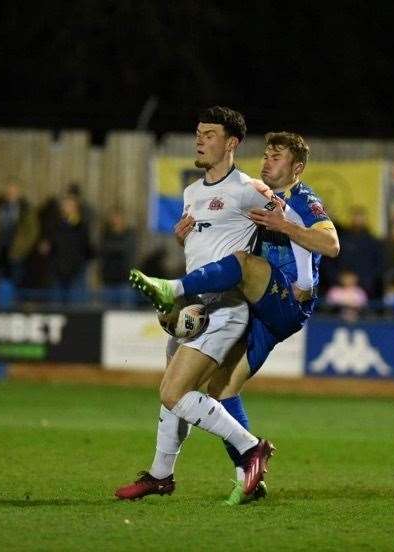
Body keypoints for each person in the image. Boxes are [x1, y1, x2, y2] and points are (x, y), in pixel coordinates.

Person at [127, 131, 339, 504]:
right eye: (267, 155)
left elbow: (331, 245)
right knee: (222, 390)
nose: (267, 161)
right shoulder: (257, 194)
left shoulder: (303, 200)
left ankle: (172, 289)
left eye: (277, 157)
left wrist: (285, 226)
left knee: (243, 264)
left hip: (287, 301)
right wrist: (185, 239)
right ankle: (248, 475)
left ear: (297, 168)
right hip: (260, 306)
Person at [115, 106, 278, 503]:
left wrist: (287, 289)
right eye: (198, 133)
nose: (200, 140)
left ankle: (250, 447)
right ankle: (159, 475)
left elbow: (286, 232)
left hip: (225, 310)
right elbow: (203, 249)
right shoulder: (191, 192)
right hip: (192, 309)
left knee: (173, 392)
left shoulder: (249, 189)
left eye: (209, 134)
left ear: (231, 143)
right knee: (176, 391)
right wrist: (180, 239)